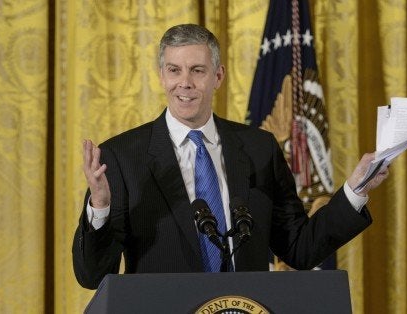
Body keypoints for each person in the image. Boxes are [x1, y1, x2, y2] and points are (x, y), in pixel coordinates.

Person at [72, 24, 388, 290]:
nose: (185, 83)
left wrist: (354, 192)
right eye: (174, 70)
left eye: (197, 70)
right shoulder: (122, 157)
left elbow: (300, 248)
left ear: (218, 76)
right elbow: (92, 276)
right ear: (161, 75)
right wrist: (99, 207)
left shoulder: (259, 148)